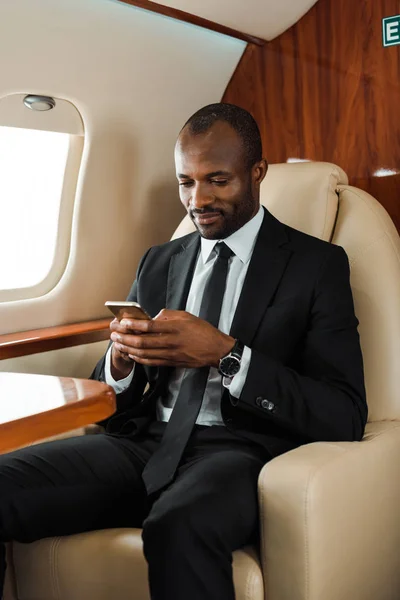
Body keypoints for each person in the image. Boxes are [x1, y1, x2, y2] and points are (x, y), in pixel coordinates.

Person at [0, 103, 367, 600]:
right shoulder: (160, 260)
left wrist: (226, 354)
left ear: (257, 172)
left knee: (179, 524)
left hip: (238, 451)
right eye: (185, 182)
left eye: (218, 180)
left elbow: (343, 412)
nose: (198, 200)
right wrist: (122, 361)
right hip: (144, 444)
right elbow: (115, 400)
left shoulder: (316, 266)